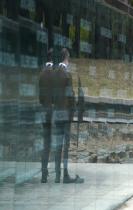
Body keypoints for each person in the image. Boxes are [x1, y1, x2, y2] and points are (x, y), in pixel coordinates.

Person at [52, 48, 84, 184]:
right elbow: (70, 95)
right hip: (65, 115)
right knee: (66, 145)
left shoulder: (53, 74)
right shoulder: (67, 75)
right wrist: (75, 109)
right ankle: (65, 175)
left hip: (56, 113)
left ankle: (57, 175)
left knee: (58, 145)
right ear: (66, 57)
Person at [39, 48, 54, 183]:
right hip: (51, 112)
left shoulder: (41, 75)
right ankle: (48, 170)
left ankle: (44, 170)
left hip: (43, 110)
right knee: (49, 143)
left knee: (45, 141)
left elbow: (39, 95)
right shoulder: (53, 75)